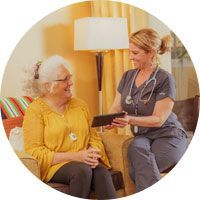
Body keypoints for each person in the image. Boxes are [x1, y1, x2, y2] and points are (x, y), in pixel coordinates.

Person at [105, 28, 188, 192]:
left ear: (150, 53)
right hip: (142, 136)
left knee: (139, 171)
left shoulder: (165, 79)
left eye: (135, 53)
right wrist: (110, 121)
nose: (130, 57)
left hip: (168, 135)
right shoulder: (128, 76)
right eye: (130, 52)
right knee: (137, 153)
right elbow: (115, 108)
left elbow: (159, 119)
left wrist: (129, 119)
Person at [23, 55, 117, 199]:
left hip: (83, 161)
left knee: (101, 172)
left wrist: (93, 151)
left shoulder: (80, 105)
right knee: (81, 170)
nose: (71, 83)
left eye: (70, 77)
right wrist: (77, 156)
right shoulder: (35, 111)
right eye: (65, 79)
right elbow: (34, 152)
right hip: (55, 166)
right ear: (48, 86)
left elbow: (94, 136)